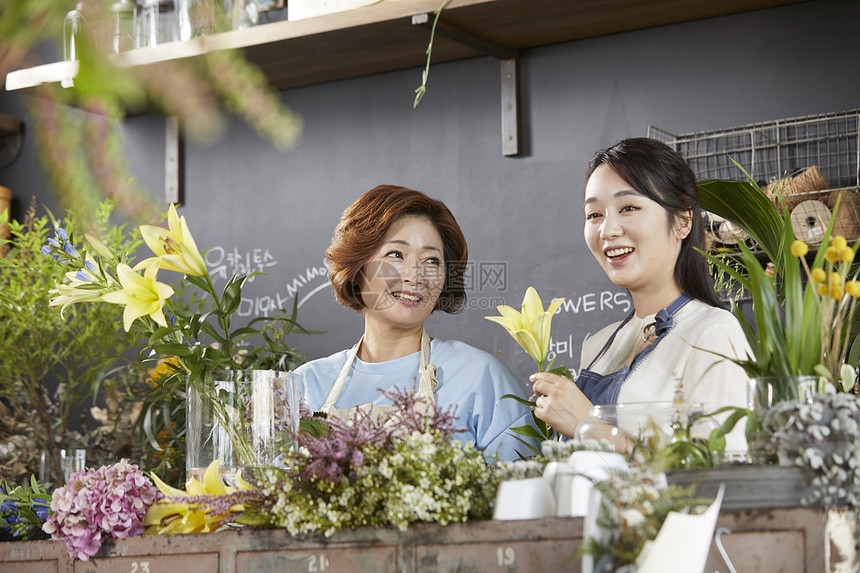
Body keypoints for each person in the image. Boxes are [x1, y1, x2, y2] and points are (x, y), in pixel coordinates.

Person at [531, 138, 749, 451]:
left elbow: (720, 476)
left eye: (629, 207)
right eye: (594, 215)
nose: (607, 230)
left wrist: (587, 423)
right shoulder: (596, 347)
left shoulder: (713, 333)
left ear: (683, 221)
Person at [295, 184, 537, 461]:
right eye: (396, 254)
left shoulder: (481, 377)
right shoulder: (304, 384)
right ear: (357, 267)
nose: (416, 275)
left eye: (432, 260)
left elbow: (524, 493)